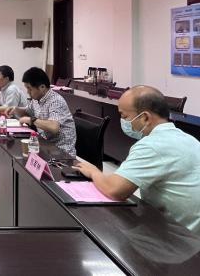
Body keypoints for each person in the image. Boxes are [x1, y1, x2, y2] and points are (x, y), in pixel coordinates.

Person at [75, 86, 200, 235]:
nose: (123, 122)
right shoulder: (189, 139)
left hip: (176, 237)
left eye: (125, 116)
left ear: (145, 117)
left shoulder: (152, 145)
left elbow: (114, 190)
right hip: (190, 231)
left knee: (103, 230)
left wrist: (94, 172)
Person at [6, 67, 76, 156]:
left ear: (42, 87)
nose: (28, 92)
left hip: (61, 151)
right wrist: (16, 109)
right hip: (44, 145)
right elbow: (27, 111)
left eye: (29, 88)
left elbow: (54, 127)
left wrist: (32, 120)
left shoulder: (56, 101)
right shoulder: (36, 99)